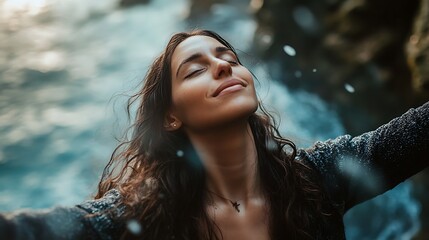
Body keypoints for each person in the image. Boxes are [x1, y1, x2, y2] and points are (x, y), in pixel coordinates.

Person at [0, 29, 428, 240]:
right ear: (171, 117)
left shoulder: (318, 178)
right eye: (196, 69)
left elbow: (411, 138)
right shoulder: (140, 219)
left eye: (228, 57)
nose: (223, 66)